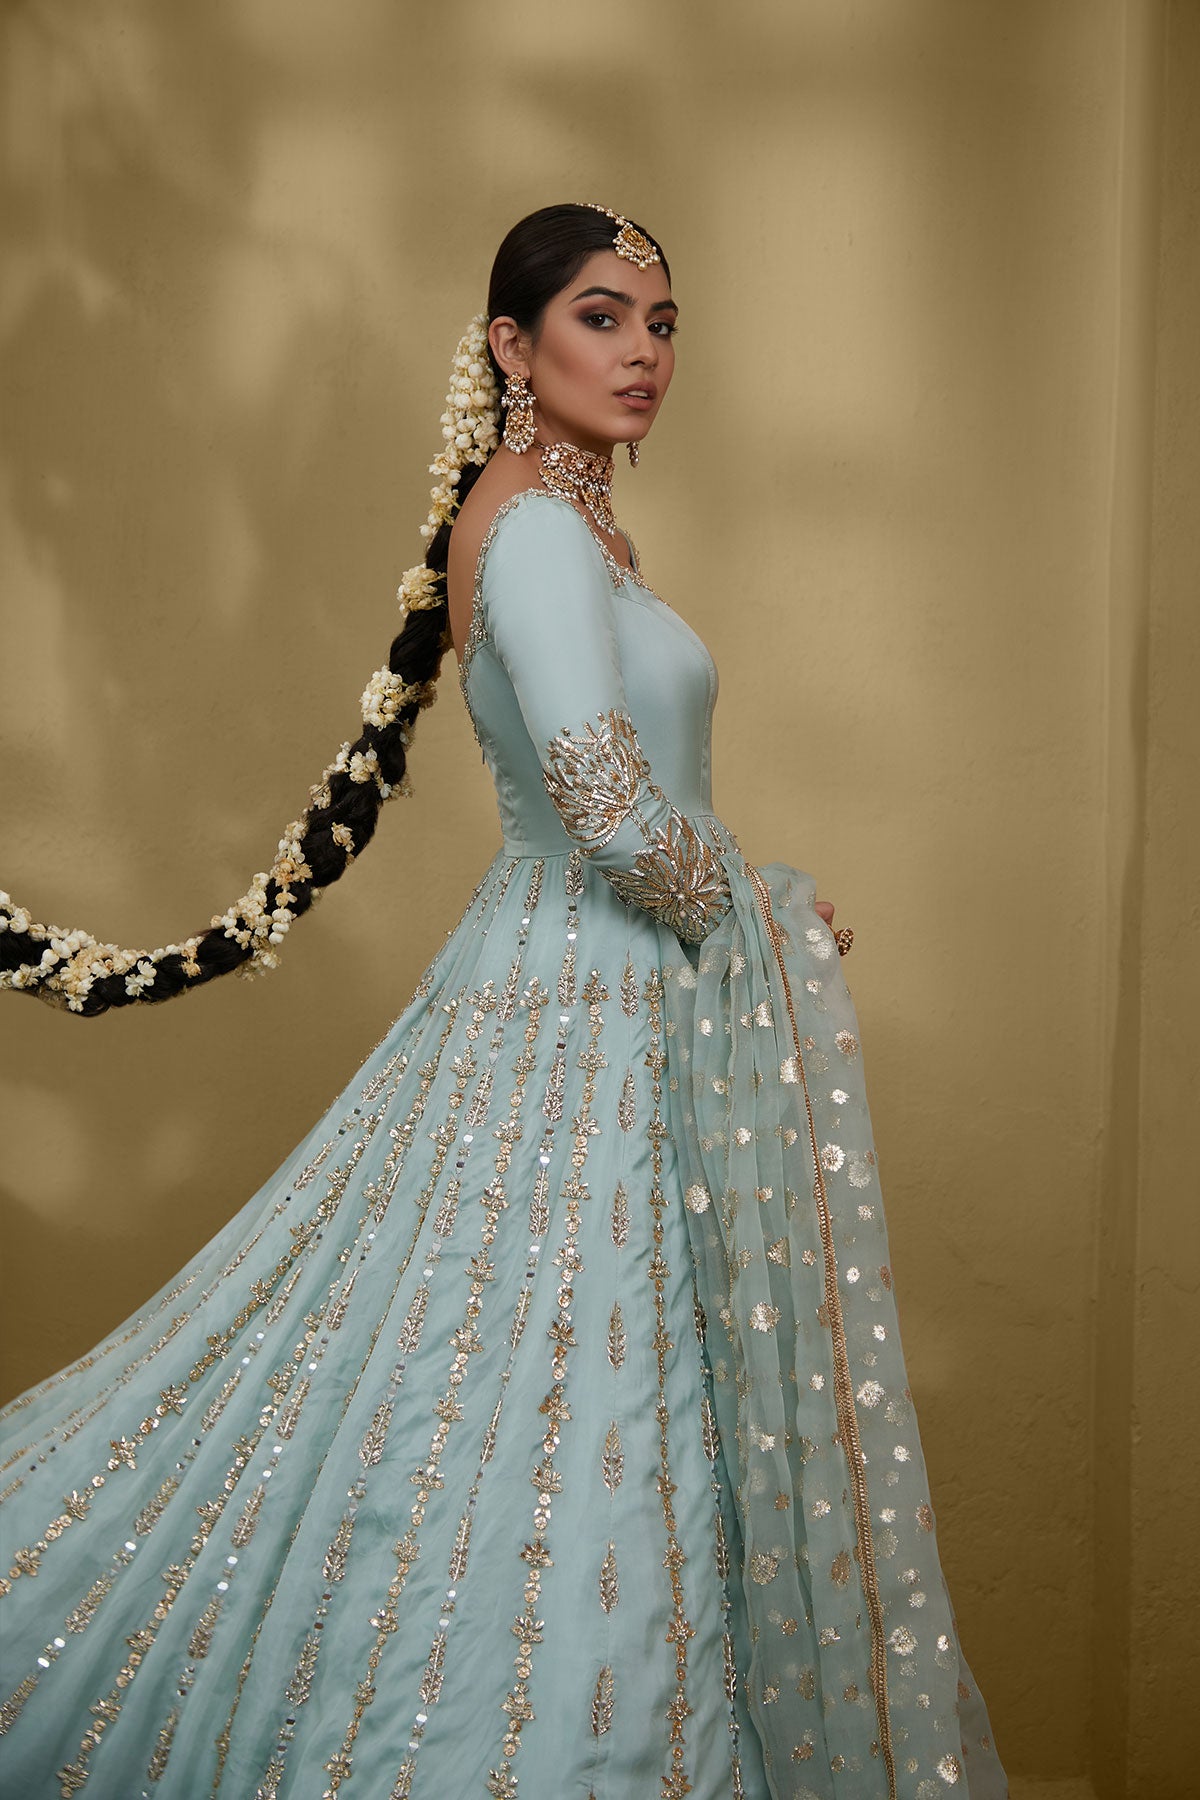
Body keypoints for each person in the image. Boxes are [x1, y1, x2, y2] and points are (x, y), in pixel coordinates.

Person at [0, 204, 1007, 1799]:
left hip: (616, 995)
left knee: (582, 1387)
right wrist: (747, 915)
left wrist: (766, 893)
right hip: (575, 1008)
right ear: (510, 347)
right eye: (603, 319)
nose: (645, 355)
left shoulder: (580, 522)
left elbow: (635, 786)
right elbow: (604, 802)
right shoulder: (534, 519)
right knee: (552, 1385)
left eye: (664, 325)